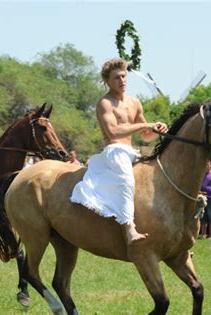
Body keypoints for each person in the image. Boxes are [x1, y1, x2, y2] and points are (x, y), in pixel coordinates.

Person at [70, 58, 168, 248]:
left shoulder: (135, 102)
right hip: (115, 150)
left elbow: (146, 136)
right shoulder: (105, 103)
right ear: (107, 81)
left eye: (124, 76)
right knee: (126, 181)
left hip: (133, 151)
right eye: (116, 78)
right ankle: (129, 228)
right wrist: (145, 125)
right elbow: (113, 132)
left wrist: (156, 130)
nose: (122, 80)